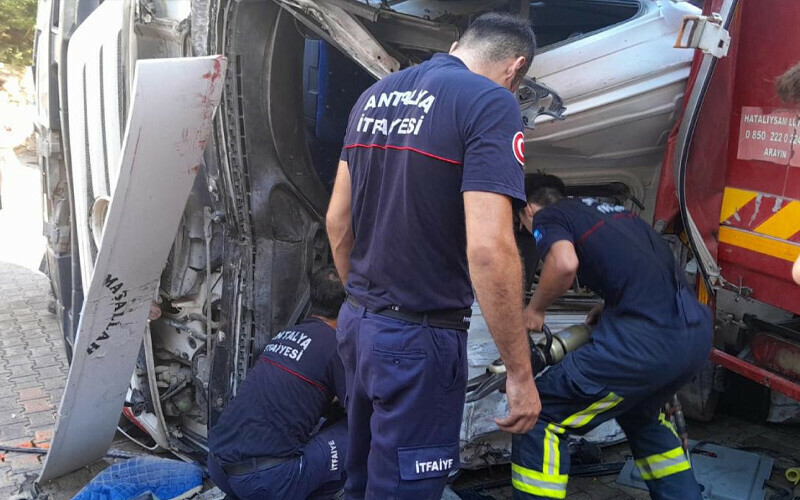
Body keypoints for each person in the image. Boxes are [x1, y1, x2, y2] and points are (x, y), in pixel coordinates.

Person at [325, 12, 541, 500]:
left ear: (458, 44)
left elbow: (337, 221)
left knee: (360, 479)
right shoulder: (490, 102)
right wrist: (519, 373)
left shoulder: (374, 95)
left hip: (358, 326)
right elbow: (489, 249)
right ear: (515, 68)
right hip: (418, 341)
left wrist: (364, 302)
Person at [513, 173, 712, 500]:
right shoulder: (616, 214)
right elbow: (648, 268)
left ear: (528, 209)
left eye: (522, 221)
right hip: (692, 337)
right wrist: (610, 306)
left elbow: (564, 264)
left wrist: (535, 310)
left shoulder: (549, 215)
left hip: (643, 346)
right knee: (641, 416)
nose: (526, 228)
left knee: (539, 412)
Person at [206, 268, 348, 500]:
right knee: (356, 432)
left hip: (218, 468)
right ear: (347, 309)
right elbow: (361, 407)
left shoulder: (284, 335)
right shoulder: (336, 346)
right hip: (267, 482)